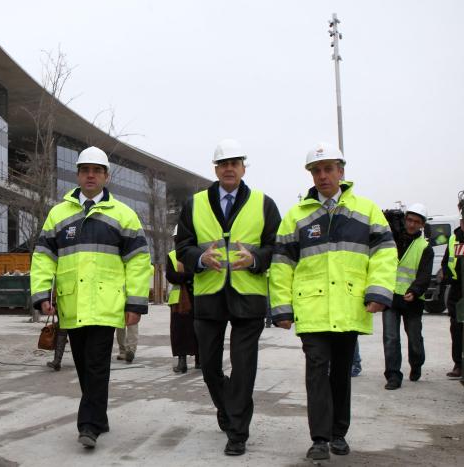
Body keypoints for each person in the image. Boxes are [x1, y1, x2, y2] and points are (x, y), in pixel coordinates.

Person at [270, 142, 396, 461]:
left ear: (341, 171)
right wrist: (281, 307)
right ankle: (320, 439)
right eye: (316, 170)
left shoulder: (366, 210)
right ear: (311, 175)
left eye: (328, 169)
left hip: (349, 306)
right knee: (316, 369)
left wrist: (379, 292)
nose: (323, 176)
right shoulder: (297, 217)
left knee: (341, 372)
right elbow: (282, 264)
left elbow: (384, 254)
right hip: (311, 308)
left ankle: (339, 432)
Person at [30, 146, 152, 449]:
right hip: (72, 304)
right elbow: (44, 257)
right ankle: (100, 417)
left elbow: (138, 262)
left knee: (97, 364)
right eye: (85, 170)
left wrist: (135, 303)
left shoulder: (124, 215)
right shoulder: (59, 214)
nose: (90, 175)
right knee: (85, 366)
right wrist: (42, 293)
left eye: (97, 171)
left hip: (106, 304)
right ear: (78, 174)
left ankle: (88, 425)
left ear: (106, 176)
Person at [175, 139, 281, 456]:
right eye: (224, 163)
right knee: (208, 366)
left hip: (248, 298)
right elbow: (182, 246)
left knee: (244, 367)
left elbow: (277, 247)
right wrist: (200, 258)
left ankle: (237, 431)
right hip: (208, 297)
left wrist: (256, 259)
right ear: (216, 169)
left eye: (235, 163)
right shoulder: (194, 204)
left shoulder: (264, 204)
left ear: (243, 168)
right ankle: (227, 408)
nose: (229, 168)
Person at [382, 204, 434, 390]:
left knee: (414, 339)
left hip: (412, 300)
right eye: (409, 220)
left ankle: (417, 363)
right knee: (390, 338)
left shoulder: (425, 247)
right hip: (391, 297)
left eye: (416, 222)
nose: (411, 225)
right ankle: (393, 376)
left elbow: (424, 274)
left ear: (422, 225)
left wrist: (416, 290)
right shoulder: (391, 240)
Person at [166, 230, 199, 373]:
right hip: (179, 302)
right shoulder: (172, 256)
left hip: (197, 298)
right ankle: (182, 362)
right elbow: (171, 276)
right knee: (179, 332)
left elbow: (199, 272)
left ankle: (200, 360)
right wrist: (188, 276)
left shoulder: (196, 254)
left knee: (199, 330)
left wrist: (183, 275)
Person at [440, 215, 464, 379]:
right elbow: (446, 262)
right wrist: (448, 276)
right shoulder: (454, 238)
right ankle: (459, 364)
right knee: (457, 328)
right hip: (458, 289)